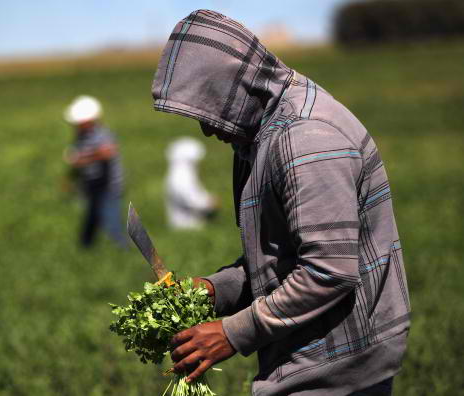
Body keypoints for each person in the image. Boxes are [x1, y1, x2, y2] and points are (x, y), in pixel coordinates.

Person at [151, 10, 410, 396]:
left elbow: (328, 271)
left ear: (233, 91)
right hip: (312, 352)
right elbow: (280, 257)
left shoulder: (307, 139)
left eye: (209, 111)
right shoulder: (259, 133)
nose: (206, 129)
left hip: (339, 364)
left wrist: (231, 333)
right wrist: (213, 290)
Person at [63, 95, 127, 249]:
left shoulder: (102, 134)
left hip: (108, 187)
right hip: (92, 186)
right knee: (91, 220)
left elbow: (107, 152)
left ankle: (123, 249)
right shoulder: (81, 136)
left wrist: (80, 159)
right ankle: (86, 247)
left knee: (111, 221)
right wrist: (72, 177)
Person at [165, 137, 219, 229]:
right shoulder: (180, 176)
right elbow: (191, 199)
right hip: (186, 226)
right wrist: (209, 202)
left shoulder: (182, 173)